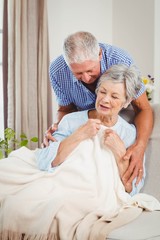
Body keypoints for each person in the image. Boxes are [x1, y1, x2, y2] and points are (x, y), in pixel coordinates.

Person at [43, 31, 153, 189]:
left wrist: (140, 147)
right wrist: (58, 129)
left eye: (90, 71)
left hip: (114, 125)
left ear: (100, 54)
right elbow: (65, 109)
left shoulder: (120, 59)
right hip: (82, 127)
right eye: (78, 73)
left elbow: (143, 108)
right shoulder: (57, 70)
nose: (86, 78)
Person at [38, 64, 145, 195]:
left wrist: (120, 154)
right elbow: (45, 162)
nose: (105, 100)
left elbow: (133, 189)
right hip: (64, 187)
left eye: (114, 96)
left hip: (101, 195)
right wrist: (79, 134)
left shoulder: (130, 134)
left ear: (127, 102)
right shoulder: (70, 121)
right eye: (103, 92)